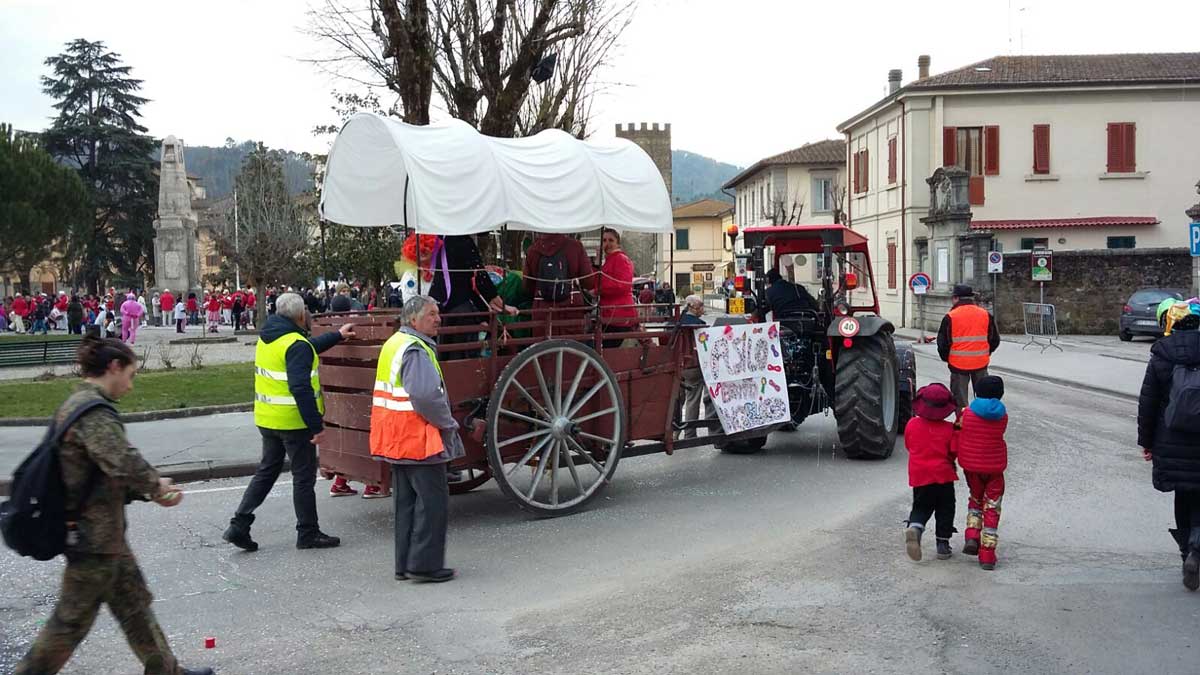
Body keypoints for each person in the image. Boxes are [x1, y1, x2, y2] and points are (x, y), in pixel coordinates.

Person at [13, 336, 214, 675]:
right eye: (131, 375)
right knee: (68, 626)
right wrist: (156, 487)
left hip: (107, 538)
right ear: (114, 367)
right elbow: (121, 461)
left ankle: (167, 671)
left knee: (136, 607)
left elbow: (101, 474)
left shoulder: (78, 402)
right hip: (93, 541)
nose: (130, 386)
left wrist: (144, 491)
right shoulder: (93, 412)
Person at [223, 292, 354, 552]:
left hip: (268, 419)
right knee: (303, 477)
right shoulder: (295, 344)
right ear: (299, 315)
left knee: (266, 472)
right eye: (305, 311)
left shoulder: (270, 337)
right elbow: (300, 387)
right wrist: (316, 426)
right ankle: (308, 532)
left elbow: (307, 349)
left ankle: (239, 524)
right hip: (294, 423)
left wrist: (338, 335)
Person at [371, 295, 464, 583]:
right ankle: (424, 565)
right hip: (419, 439)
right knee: (432, 504)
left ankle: (405, 564)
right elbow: (424, 396)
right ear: (414, 319)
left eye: (438, 313)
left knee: (406, 505)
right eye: (431, 314)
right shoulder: (415, 349)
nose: (438, 318)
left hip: (396, 438)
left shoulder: (394, 343)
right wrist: (447, 423)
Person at [1138, 301, 1200, 591]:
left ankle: (1186, 552)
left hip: (1170, 437)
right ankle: (1197, 548)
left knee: (1182, 494)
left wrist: (1147, 442)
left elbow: (1148, 403)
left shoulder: (1162, 353)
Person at [953, 375, 1008, 570]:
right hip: (994, 469)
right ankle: (987, 554)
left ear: (976, 392)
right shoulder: (1002, 415)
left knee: (975, 499)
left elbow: (957, 431)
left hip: (972, 468)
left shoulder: (966, 414)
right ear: (1000, 394)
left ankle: (972, 535)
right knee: (992, 507)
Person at [428, 235, 514, 359]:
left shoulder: (441, 239)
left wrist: (487, 307)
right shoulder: (461, 240)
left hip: (441, 305)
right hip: (459, 308)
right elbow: (480, 277)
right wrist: (499, 303)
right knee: (460, 356)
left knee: (444, 352)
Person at [903, 383, 960, 562]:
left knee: (921, 506)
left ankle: (916, 527)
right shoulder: (950, 429)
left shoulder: (912, 424)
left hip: (920, 475)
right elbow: (954, 451)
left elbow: (908, 445)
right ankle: (942, 544)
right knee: (945, 508)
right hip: (943, 476)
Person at [937, 284, 1001, 409]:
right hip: (981, 363)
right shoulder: (985, 314)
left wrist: (947, 358)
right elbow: (995, 340)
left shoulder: (950, 316)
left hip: (958, 365)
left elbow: (942, 344)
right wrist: (986, 352)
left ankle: (962, 425)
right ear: (972, 298)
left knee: (960, 403)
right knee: (985, 399)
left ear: (955, 298)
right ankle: (983, 423)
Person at [678, 295, 714, 440]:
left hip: (677, 365)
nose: (702, 310)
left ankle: (674, 431)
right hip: (693, 365)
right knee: (692, 400)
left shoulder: (677, 321)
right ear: (692, 307)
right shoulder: (700, 325)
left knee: (677, 400)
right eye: (700, 307)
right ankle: (690, 434)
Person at [597, 228, 639, 349]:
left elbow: (622, 285)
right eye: (604, 240)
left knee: (609, 350)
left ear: (618, 243)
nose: (608, 243)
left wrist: (598, 290)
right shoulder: (608, 261)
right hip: (610, 314)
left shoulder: (621, 259)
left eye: (611, 240)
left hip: (619, 315)